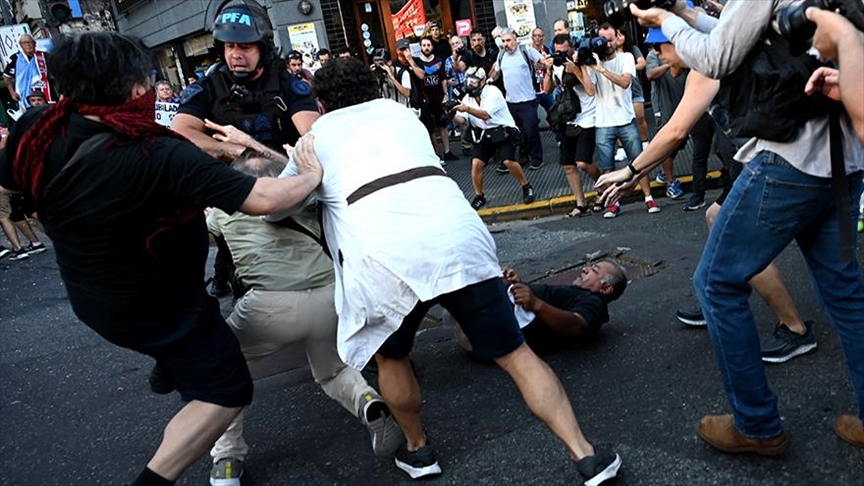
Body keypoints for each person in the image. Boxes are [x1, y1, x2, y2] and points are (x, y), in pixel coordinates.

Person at [274, 57, 622, 485]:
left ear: (322, 103)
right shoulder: (403, 115)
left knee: (392, 356)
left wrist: (301, 167)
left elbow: (282, 204)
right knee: (516, 353)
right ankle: (586, 456)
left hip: (384, 255)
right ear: (374, 87)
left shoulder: (317, 137)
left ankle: (419, 452)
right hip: (458, 236)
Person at [0, 31, 325, 486]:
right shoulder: (157, 152)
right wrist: (311, 172)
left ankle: (168, 363)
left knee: (188, 350)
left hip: (91, 295)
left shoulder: (38, 127)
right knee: (225, 391)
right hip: (162, 307)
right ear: (136, 89)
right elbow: (265, 198)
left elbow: (11, 181)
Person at [627, 0, 864, 452]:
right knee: (845, 292)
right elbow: (757, 35)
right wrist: (687, 13)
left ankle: (757, 425)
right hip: (844, 158)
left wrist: (667, 22)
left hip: (788, 159)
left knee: (717, 283)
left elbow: (717, 57)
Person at [597, 27, 820, 370]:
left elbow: (674, 132)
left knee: (739, 241)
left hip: (770, 165)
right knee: (716, 218)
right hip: (759, 164)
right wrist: (637, 172)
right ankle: (719, 293)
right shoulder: (714, 60)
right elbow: (675, 133)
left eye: (661, 47)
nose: (658, 55)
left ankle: (792, 326)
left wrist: (631, 171)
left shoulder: (708, 66)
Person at [189, 129, 404, 483]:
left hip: (267, 308)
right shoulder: (312, 204)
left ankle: (226, 459)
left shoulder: (226, 215)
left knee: (222, 375)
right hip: (329, 298)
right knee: (332, 370)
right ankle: (370, 403)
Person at [172, 0, 319, 299]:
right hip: (235, 193)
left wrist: (254, 151)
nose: (235, 55)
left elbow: (313, 136)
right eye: (228, 47)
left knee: (306, 265)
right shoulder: (209, 87)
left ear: (263, 47)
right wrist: (232, 151)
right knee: (247, 278)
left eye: (245, 47)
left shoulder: (289, 85)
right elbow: (181, 132)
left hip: (287, 186)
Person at [450, 261, 627, 357]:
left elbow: (576, 326)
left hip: (493, 331)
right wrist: (518, 284)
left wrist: (535, 304)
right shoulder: (577, 294)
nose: (585, 268)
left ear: (605, 288)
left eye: (594, 270)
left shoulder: (594, 303)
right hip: (490, 319)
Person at [590, 23, 659, 218]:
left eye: (610, 40)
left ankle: (648, 197)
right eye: (602, 40)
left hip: (626, 119)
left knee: (638, 162)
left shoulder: (626, 57)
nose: (606, 44)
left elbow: (625, 82)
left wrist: (602, 70)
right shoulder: (592, 62)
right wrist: (581, 67)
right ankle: (614, 203)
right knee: (606, 167)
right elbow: (589, 91)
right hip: (603, 123)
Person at [451, 67, 535, 209]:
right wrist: (451, 114)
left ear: (483, 82)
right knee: (476, 164)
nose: (469, 84)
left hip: (502, 132)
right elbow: (462, 120)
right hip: (483, 134)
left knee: (508, 161)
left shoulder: (494, 92)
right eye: (468, 81)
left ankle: (526, 185)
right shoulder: (468, 98)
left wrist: (467, 109)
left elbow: (485, 115)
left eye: (473, 82)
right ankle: (479, 196)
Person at [542, 34, 599, 217]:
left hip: (588, 118)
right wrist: (549, 70)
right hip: (569, 119)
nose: (561, 55)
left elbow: (591, 91)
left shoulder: (583, 63)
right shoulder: (557, 67)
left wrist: (576, 70)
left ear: (572, 47)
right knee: (568, 165)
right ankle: (580, 203)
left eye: (565, 51)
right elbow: (547, 90)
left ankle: (604, 186)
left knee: (583, 162)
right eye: (557, 52)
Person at [489, 28, 544, 170]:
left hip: (527, 100)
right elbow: (496, 72)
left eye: (508, 40)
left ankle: (537, 158)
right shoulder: (501, 55)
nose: (506, 44)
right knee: (514, 133)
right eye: (503, 41)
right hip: (510, 102)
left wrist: (542, 66)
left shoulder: (526, 50)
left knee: (531, 131)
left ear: (516, 40)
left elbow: (543, 62)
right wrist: (490, 79)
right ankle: (519, 158)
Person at [416, 37, 454, 162]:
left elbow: (443, 78)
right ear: (420, 47)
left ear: (432, 47)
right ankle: (436, 155)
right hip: (426, 99)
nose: (426, 47)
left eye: (428, 45)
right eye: (424, 45)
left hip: (439, 97)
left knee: (443, 124)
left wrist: (445, 94)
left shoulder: (439, 61)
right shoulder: (417, 63)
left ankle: (447, 152)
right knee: (431, 128)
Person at [3, 34, 53, 109]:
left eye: (30, 42)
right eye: (24, 43)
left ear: (35, 43)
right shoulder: (15, 59)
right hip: (26, 97)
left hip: (46, 94)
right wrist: (12, 93)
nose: (28, 45)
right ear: (20, 45)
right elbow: (7, 77)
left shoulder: (44, 56)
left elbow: (57, 73)